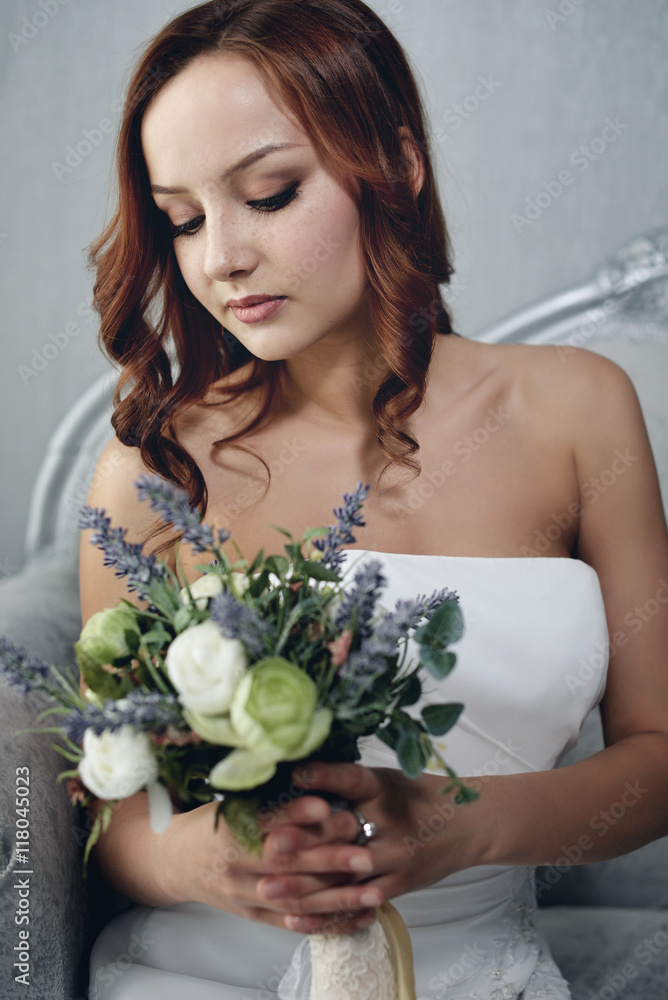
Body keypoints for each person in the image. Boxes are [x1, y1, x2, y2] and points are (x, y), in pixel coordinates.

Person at [80, 1, 668, 997]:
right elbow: (109, 813)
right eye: (183, 218)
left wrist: (458, 824)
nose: (219, 256)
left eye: (269, 193)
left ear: (396, 165)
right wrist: (203, 863)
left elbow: (656, 758)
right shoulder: (152, 469)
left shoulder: (578, 408)